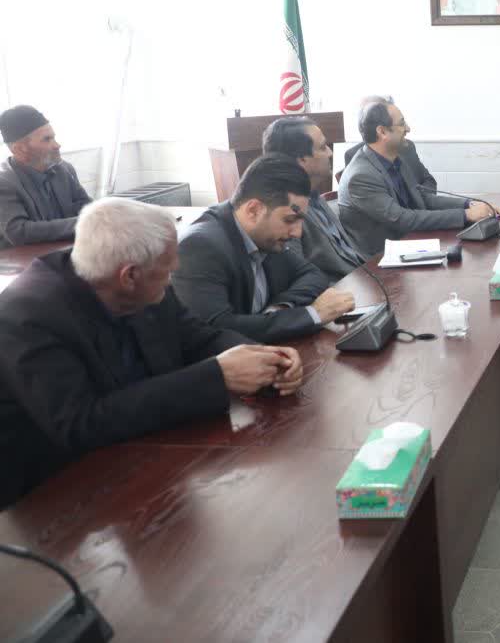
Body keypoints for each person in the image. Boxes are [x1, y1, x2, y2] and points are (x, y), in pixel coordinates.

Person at [0, 198, 304, 508]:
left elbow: (196, 337)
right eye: (168, 271)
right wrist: (218, 375)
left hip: (154, 452)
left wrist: (263, 358)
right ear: (129, 276)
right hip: (60, 492)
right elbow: (81, 423)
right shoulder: (25, 315)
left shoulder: (138, 275)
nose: (172, 277)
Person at [175, 156, 353, 343]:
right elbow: (216, 330)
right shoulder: (199, 247)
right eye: (290, 220)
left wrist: (280, 308)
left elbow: (312, 274)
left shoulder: (264, 236)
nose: (297, 233)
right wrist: (312, 315)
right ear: (253, 210)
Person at [339, 100, 492, 256]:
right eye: (402, 123)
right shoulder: (361, 176)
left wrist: (469, 204)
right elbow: (402, 219)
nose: (408, 129)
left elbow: (423, 199)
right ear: (382, 132)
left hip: (409, 243)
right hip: (378, 260)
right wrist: (466, 215)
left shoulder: (395, 158)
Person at [263, 116, 365, 280]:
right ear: (301, 159)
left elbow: (347, 254)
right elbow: (297, 279)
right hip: (338, 290)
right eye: (323, 147)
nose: (330, 153)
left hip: (361, 276)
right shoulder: (284, 211)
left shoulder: (312, 194)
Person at [0, 105, 92, 248]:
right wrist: (86, 223)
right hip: (26, 259)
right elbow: (19, 231)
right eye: (47, 139)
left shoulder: (64, 169)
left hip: (67, 251)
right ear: (20, 149)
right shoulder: (4, 182)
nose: (57, 145)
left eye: (54, 138)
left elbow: (88, 208)